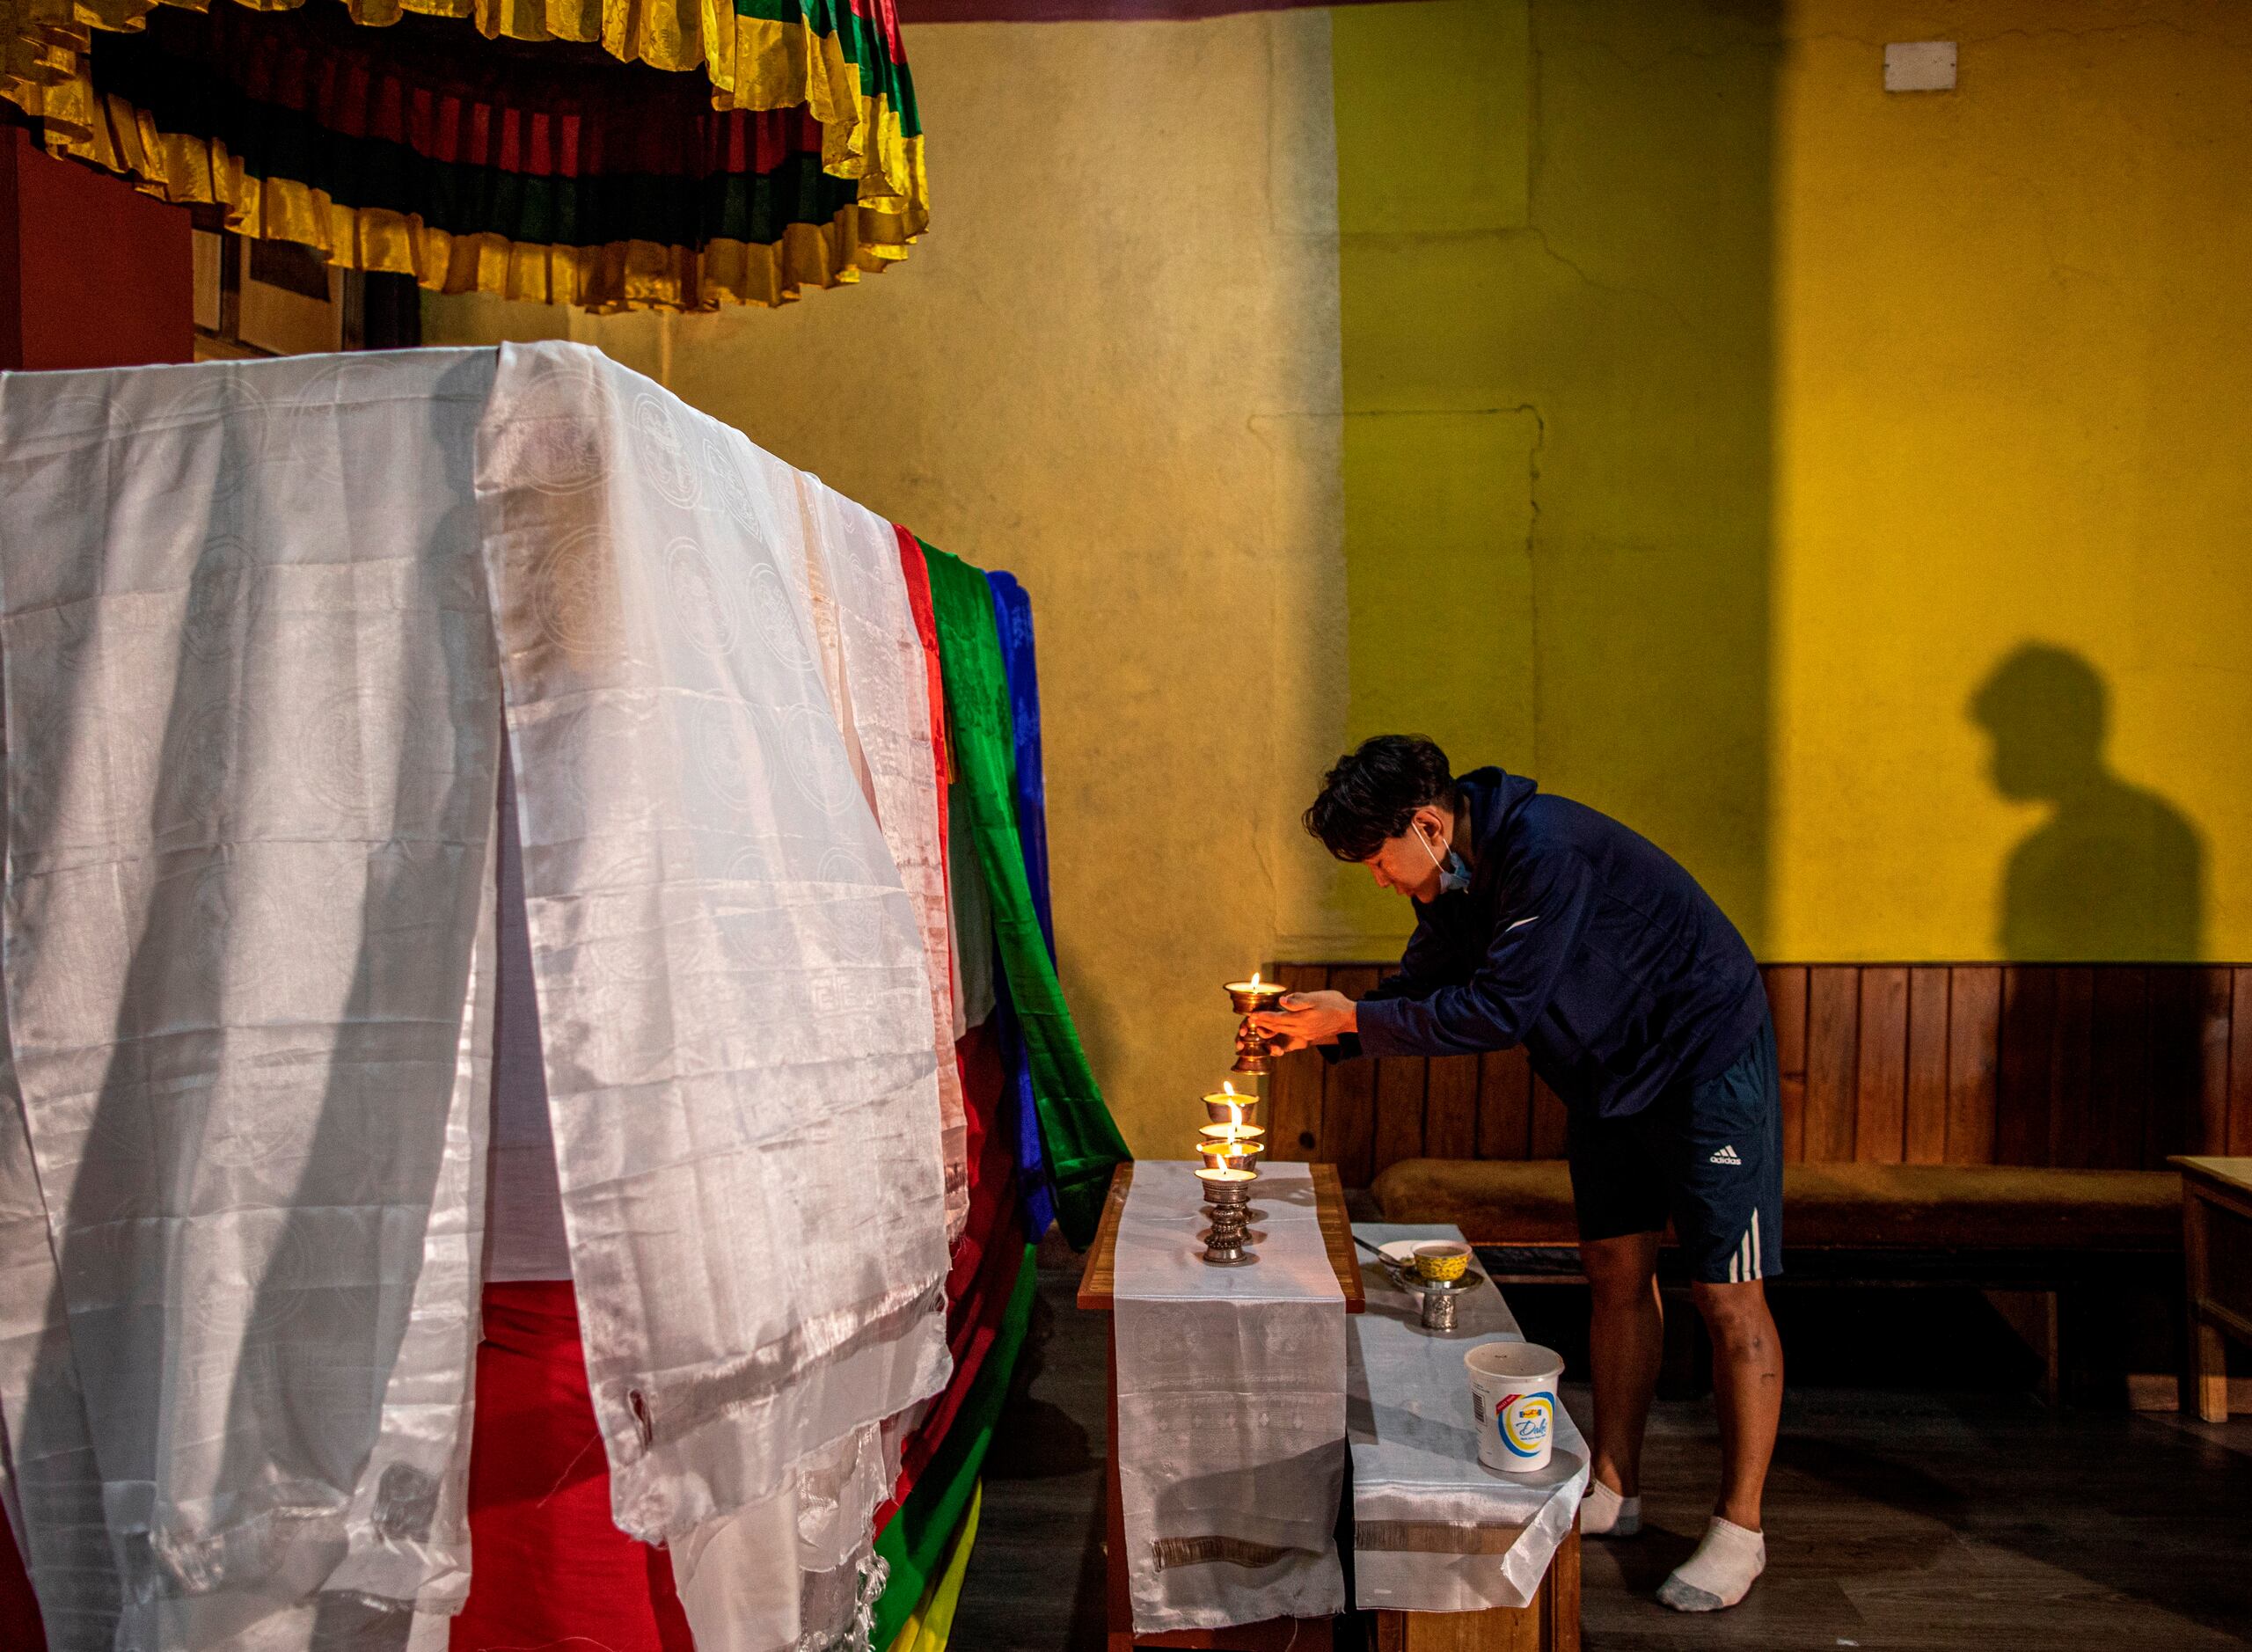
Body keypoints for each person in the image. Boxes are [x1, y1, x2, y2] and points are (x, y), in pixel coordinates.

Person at [1254, 735, 1782, 1612]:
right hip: (1608, 1077)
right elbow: (1427, 981)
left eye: (1380, 861)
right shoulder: (1457, 873)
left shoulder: (1544, 849)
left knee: (1729, 1294)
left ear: (1425, 823)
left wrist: (1351, 1020)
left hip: (1703, 1061)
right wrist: (1321, 1024)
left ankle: (1740, 1529)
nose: (1381, 880)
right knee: (1614, 1269)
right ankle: (1615, 1487)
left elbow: (1499, 1008)